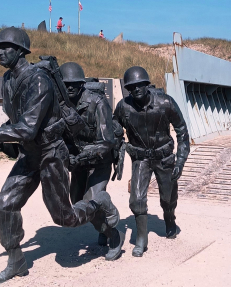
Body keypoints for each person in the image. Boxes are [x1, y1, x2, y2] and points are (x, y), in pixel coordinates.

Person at [0, 26, 119, 283]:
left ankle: (100, 203)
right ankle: (16, 259)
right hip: (29, 155)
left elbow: (29, 127)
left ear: (20, 51)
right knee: (5, 205)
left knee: (64, 217)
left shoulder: (38, 79)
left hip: (50, 153)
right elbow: (13, 121)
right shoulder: (7, 81)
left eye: (4, 47)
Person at [113, 66, 190, 257]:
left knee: (167, 198)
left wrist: (180, 161)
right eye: (131, 87)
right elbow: (114, 131)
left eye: (140, 85)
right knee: (137, 199)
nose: (136, 89)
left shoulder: (165, 102)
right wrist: (118, 146)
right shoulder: (124, 107)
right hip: (141, 158)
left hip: (164, 158)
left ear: (147, 85)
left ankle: (169, 218)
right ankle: (141, 238)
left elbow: (182, 131)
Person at [59, 62, 125, 261]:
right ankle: (103, 225)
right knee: (77, 203)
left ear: (81, 84)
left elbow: (107, 142)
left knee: (90, 203)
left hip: (99, 161)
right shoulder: (60, 104)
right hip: (78, 163)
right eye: (65, 84)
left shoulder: (97, 102)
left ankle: (114, 236)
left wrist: (81, 155)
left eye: (74, 83)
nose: (70, 87)